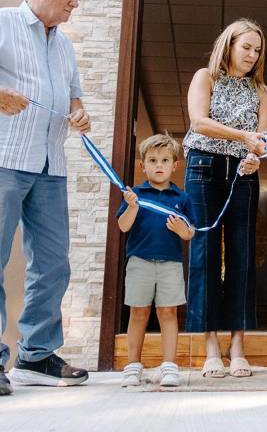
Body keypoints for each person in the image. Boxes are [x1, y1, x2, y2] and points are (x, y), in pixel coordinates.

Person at [0, 0, 91, 396]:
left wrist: (79, 112)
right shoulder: (1, 23)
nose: (75, 4)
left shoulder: (63, 45)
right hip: (0, 160)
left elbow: (74, 95)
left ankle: (36, 355)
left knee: (53, 264)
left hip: (50, 167)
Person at [183, 18, 267, 378]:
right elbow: (198, 122)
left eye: (258, 50)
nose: (252, 55)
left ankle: (238, 345)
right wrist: (244, 137)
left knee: (242, 254)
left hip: (243, 172)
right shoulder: (205, 77)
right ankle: (210, 347)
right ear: (229, 45)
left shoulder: (263, 91)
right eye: (246, 46)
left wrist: (256, 153)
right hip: (203, 167)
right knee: (204, 252)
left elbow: (263, 139)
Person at [116, 133, 196, 388]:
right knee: (138, 312)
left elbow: (191, 231)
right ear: (143, 166)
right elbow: (123, 226)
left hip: (170, 263)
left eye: (164, 160)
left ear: (175, 165)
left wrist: (181, 231)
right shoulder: (135, 195)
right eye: (152, 160)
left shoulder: (181, 198)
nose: (158, 165)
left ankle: (169, 367)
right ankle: (132, 366)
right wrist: (131, 207)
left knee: (168, 312)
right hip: (139, 261)